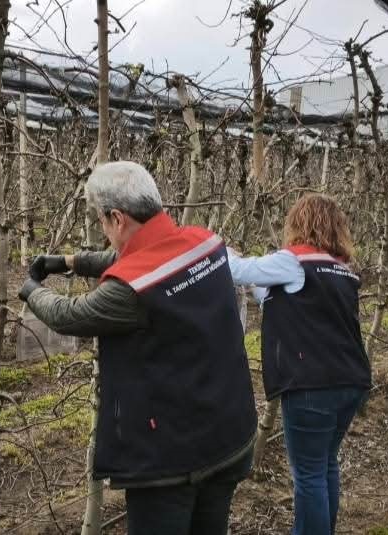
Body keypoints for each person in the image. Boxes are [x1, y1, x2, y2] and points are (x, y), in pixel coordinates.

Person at [17, 161, 258, 535]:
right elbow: (134, 257)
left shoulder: (130, 292)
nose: (103, 229)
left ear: (116, 218)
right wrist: (68, 263)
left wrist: (31, 288)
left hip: (172, 458)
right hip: (230, 433)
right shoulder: (205, 244)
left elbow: (69, 315)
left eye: (101, 221)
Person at [227, 193, 372, 535]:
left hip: (312, 386)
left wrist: (214, 248)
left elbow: (238, 270)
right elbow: (282, 298)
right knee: (324, 466)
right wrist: (255, 285)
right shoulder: (343, 270)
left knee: (307, 475)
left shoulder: (293, 261)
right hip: (350, 380)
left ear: (299, 224)